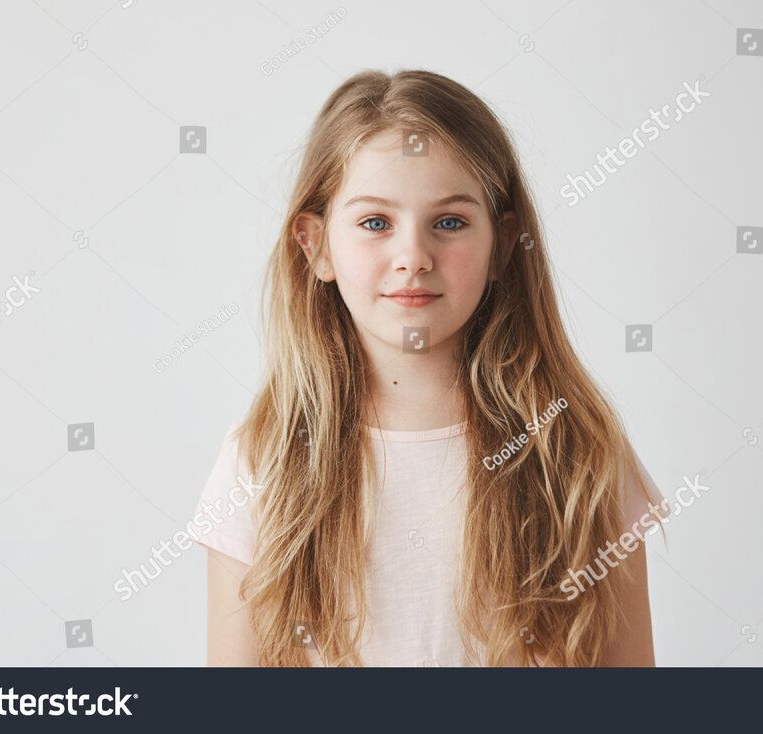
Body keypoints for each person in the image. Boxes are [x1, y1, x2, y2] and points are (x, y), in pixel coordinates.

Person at [195, 69, 666, 667]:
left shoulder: (575, 452)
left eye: (449, 222)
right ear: (315, 247)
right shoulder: (261, 461)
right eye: (375, 224)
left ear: (501, 246)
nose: (413, 257)